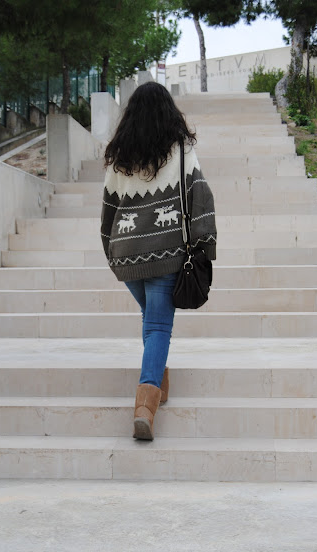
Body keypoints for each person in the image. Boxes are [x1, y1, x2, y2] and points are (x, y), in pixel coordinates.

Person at [100, 81, 217, 441]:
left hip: (126, 256)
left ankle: (160, 383)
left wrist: (112, 253)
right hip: (166, 253)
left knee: (150, 318)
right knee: (157, 326)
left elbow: (108, 212)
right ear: (169, 113)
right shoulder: (181, 150)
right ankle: (145, 408)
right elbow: (200, 196)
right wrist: (205, 244)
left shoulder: (119, 157)